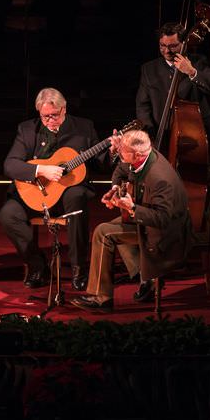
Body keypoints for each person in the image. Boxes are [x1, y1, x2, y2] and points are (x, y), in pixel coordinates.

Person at [0, 88, 112, 290]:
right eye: (45, 116)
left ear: (64, 109)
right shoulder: (27, 129)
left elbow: (100, 163)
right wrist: (41, 170)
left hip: (68, 194)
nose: (50, 120)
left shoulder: (83, 127)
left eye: (54, 115)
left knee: (76, 197)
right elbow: (10, 165)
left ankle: (79, 269)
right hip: (37, 194)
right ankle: (38, 266)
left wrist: (112, 152)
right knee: (8, 215)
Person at [72, 129, 189, 311]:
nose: (119, 153)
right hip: (147, 221)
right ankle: (146, 278)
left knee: (103, 233)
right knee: (111, 227)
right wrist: (115, 191)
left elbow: (163, 220)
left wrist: (132, 208)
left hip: (165, 234)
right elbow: (120, 171)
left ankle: (102, 298)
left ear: (137, 155)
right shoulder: (143, 158)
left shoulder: (160, 178)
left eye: (122, 151)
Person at [135, 22, 210, 151]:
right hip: (162, 136)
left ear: (184, 43)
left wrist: (191, 71)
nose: (167, 51)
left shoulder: (198, 62)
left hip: (197, 134)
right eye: (162, 45)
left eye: (173, 46)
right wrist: (148, 132)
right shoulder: (149, 69)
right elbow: (142, 105)